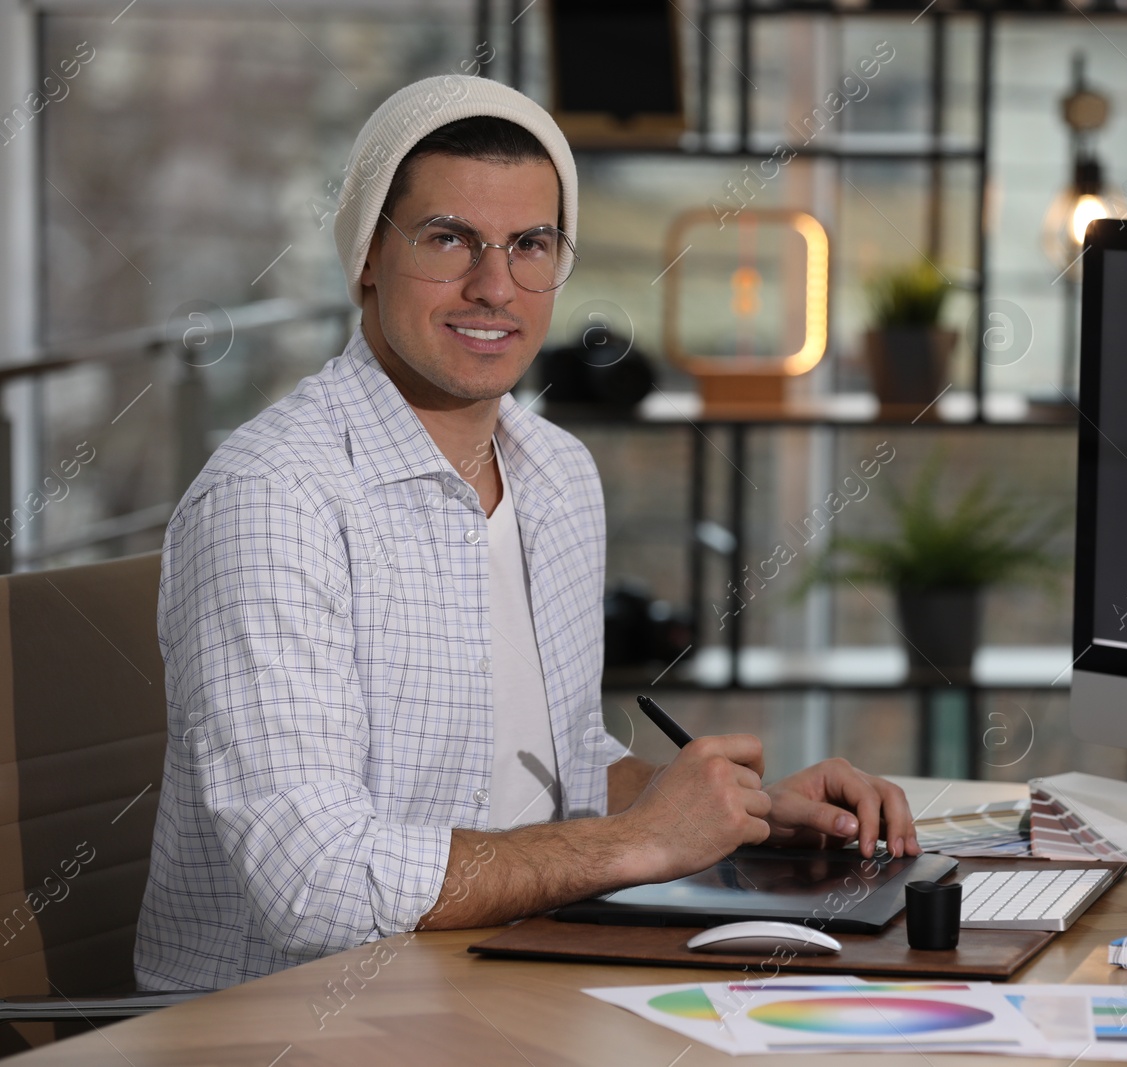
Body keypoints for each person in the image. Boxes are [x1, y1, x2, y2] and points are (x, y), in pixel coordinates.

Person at [135, 75, 919, 992]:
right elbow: (314, 882)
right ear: (367, 260)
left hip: (505, 969)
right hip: (298, 1019)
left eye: (530, 246)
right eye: (448, 239)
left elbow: (562, 770)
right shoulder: (274, 498)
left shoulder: (556, 473)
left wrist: (744, 813)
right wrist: (636, 843)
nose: (494, 287)